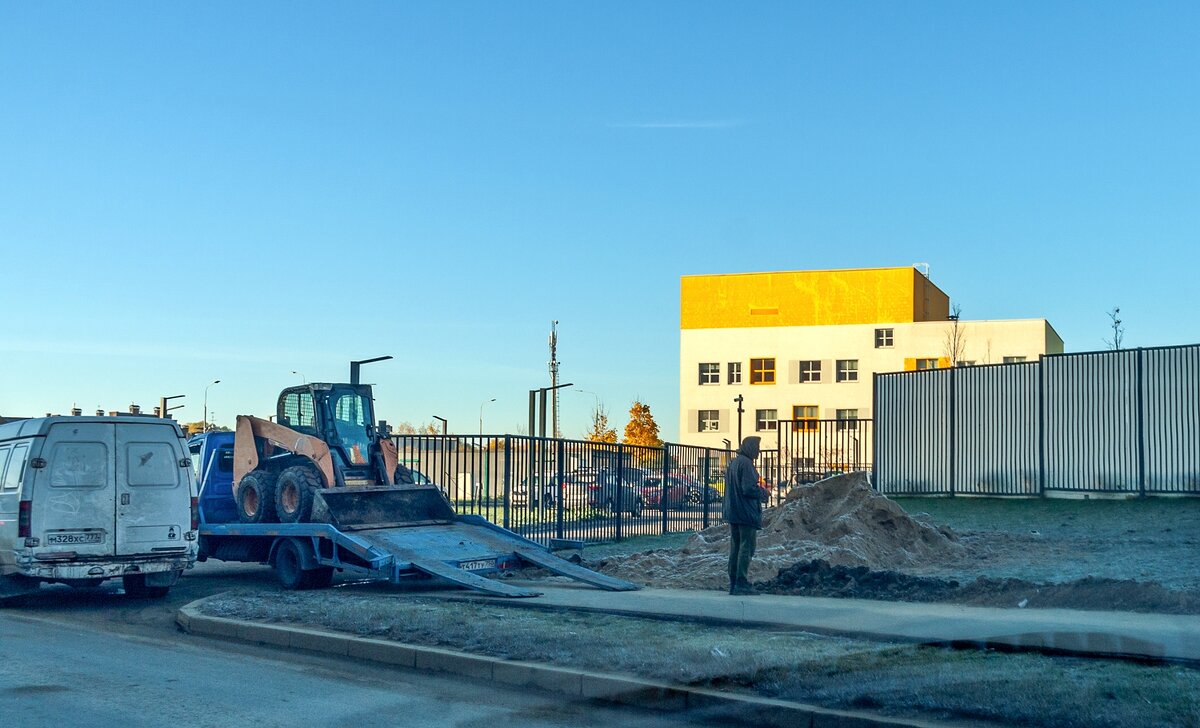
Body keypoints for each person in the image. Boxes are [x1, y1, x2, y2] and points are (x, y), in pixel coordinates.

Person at [723, 436, 770, 596]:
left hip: (734, 512)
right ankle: (741, 582)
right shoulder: (746, 464)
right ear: (750, 448)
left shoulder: (734, 463)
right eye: (757, 447)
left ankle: (734, 581)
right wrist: (763, 492)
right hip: (745, 512)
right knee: (747, 546)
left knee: (735, 546)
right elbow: (748, 488)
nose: (758, 450)